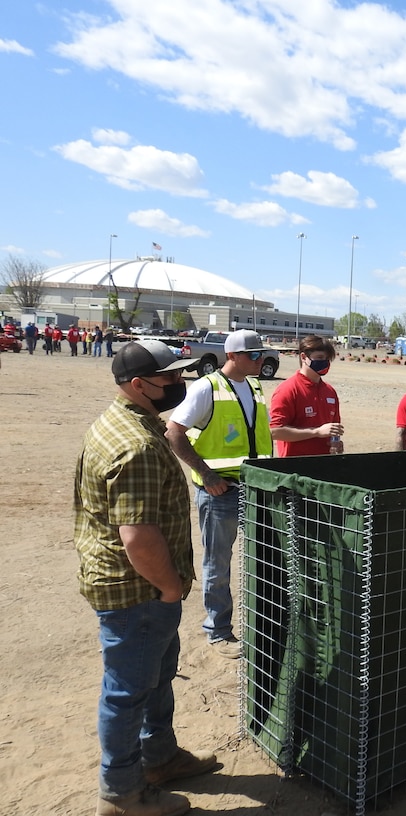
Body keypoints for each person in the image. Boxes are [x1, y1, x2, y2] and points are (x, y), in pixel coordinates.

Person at [75, 339, 219, 816]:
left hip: (142, 589)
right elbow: (138, 536)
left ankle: (158, 759)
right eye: (171, 379)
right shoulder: (134, 444)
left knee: (154, 677)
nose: (180, 384)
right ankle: (121, 795)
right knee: (128, 690)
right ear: (138, 385)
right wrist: (170, 588)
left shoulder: (131, 422)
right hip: (137, 591)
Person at [165, 329, 273, 659]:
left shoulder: (255, 387)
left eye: (262, 355)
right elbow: (174, 432)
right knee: (218, 562)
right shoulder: (207, 387)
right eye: (254, 355)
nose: (260, 361)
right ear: (233, 356)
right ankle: (218, 630)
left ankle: (262, 627)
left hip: (255, 489)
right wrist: (207, 474)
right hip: (220, 492)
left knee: (262, 560)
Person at [269, 335, 345, 457]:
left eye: (327, 359)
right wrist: (316, 432)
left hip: (325, 465)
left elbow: (333, 430)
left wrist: (336, 444)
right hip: (296, 467)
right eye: (320, 358)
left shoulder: (330, 391)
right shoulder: (288, 389)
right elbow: (275, 431)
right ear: (304, 357)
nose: (324, 362)